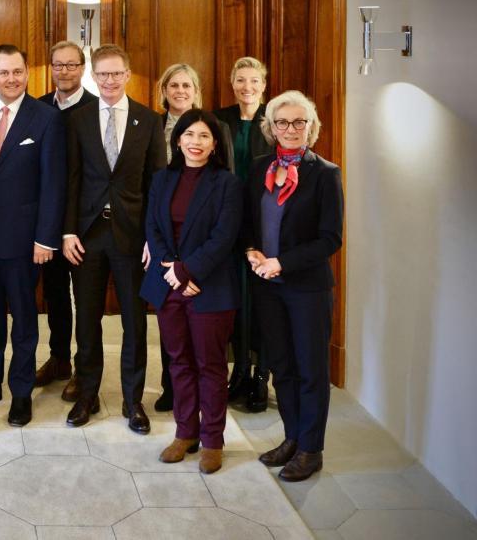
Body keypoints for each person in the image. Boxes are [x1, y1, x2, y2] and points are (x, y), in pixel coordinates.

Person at [63, 44, 166, 434]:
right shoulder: (78, 119)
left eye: (115, 74)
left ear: (127, 74)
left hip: (132, 237)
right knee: (86, 320)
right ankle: (87, 394)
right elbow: (71, 178)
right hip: (87, 236)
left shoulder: (148, 120)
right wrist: (68, 230)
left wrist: (153, 239)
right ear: (93, 76)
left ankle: (132, 400)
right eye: (101, 74)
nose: (108, 81)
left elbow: (157, 185)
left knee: (134, 323)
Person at [0, 44, 65, 427]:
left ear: (27, 73)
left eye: (17, 72)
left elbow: (53, 185)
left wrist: (45, 239)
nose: (11, 79)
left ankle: (20, 391)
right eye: (3, 72)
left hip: (23, 241)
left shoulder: (46, 118)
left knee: (23, 317)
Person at [245, 90, 343, 483]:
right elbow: (250, 221)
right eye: (282, 122)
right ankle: (291, 437)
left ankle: (311, 448)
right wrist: (252, 250)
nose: (290, 129)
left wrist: (282, 262)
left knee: (310, 369)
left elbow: (330, 239)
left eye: (298, 122)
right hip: (267, 287)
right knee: (281, 366)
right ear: (271, 127)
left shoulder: (325, 173)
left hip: (307, 288)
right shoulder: (257, 168)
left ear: (310, 127)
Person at [141, 110, 242, 474]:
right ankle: (186, 432)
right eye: (189, 135)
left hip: (209, 287)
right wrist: (172, 270)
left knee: (210, 365)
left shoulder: (227, 183)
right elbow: (152, 225)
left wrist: (186, 271)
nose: (195, 142)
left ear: (215, 144)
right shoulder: (162, 179)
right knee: (178, 362)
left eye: (204, 136)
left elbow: (224, 236)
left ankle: (213, 440)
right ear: (178, 139)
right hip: (169, 286)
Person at [34, 41, 95, 404]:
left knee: (84, 301)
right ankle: (59, 358)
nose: (65, 71)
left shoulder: (94, 107)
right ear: (51, 68)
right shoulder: (39, 107)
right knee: (54, 294)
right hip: (48, 222)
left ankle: (84, 370)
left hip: (84, 222)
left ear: (82, 68)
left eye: (72, 65)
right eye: (58, 65)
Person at [213, 56, 272, 411]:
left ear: (263, 85)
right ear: (232, 84)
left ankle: (261, 377)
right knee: (235, 299)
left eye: (253, 81)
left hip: (265, 225)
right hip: (230, 223)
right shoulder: (221, 119)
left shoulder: (275, 118)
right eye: (240, 81)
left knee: (261, 303)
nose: (247, 87)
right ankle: (239, 372)